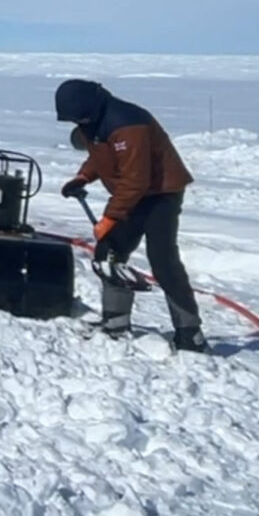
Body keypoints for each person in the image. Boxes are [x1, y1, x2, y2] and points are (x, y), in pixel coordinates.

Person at [55, 78, 205, 351]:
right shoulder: (94, 121)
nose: (77, 125)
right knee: (108, 253)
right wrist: (83, 177)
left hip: (161, 194)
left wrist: (109, 219)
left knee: (163, 262)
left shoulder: (128, 123)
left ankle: (190, 333)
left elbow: (136, 180)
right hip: (134, 194)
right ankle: (115, 323)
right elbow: (101, 155)